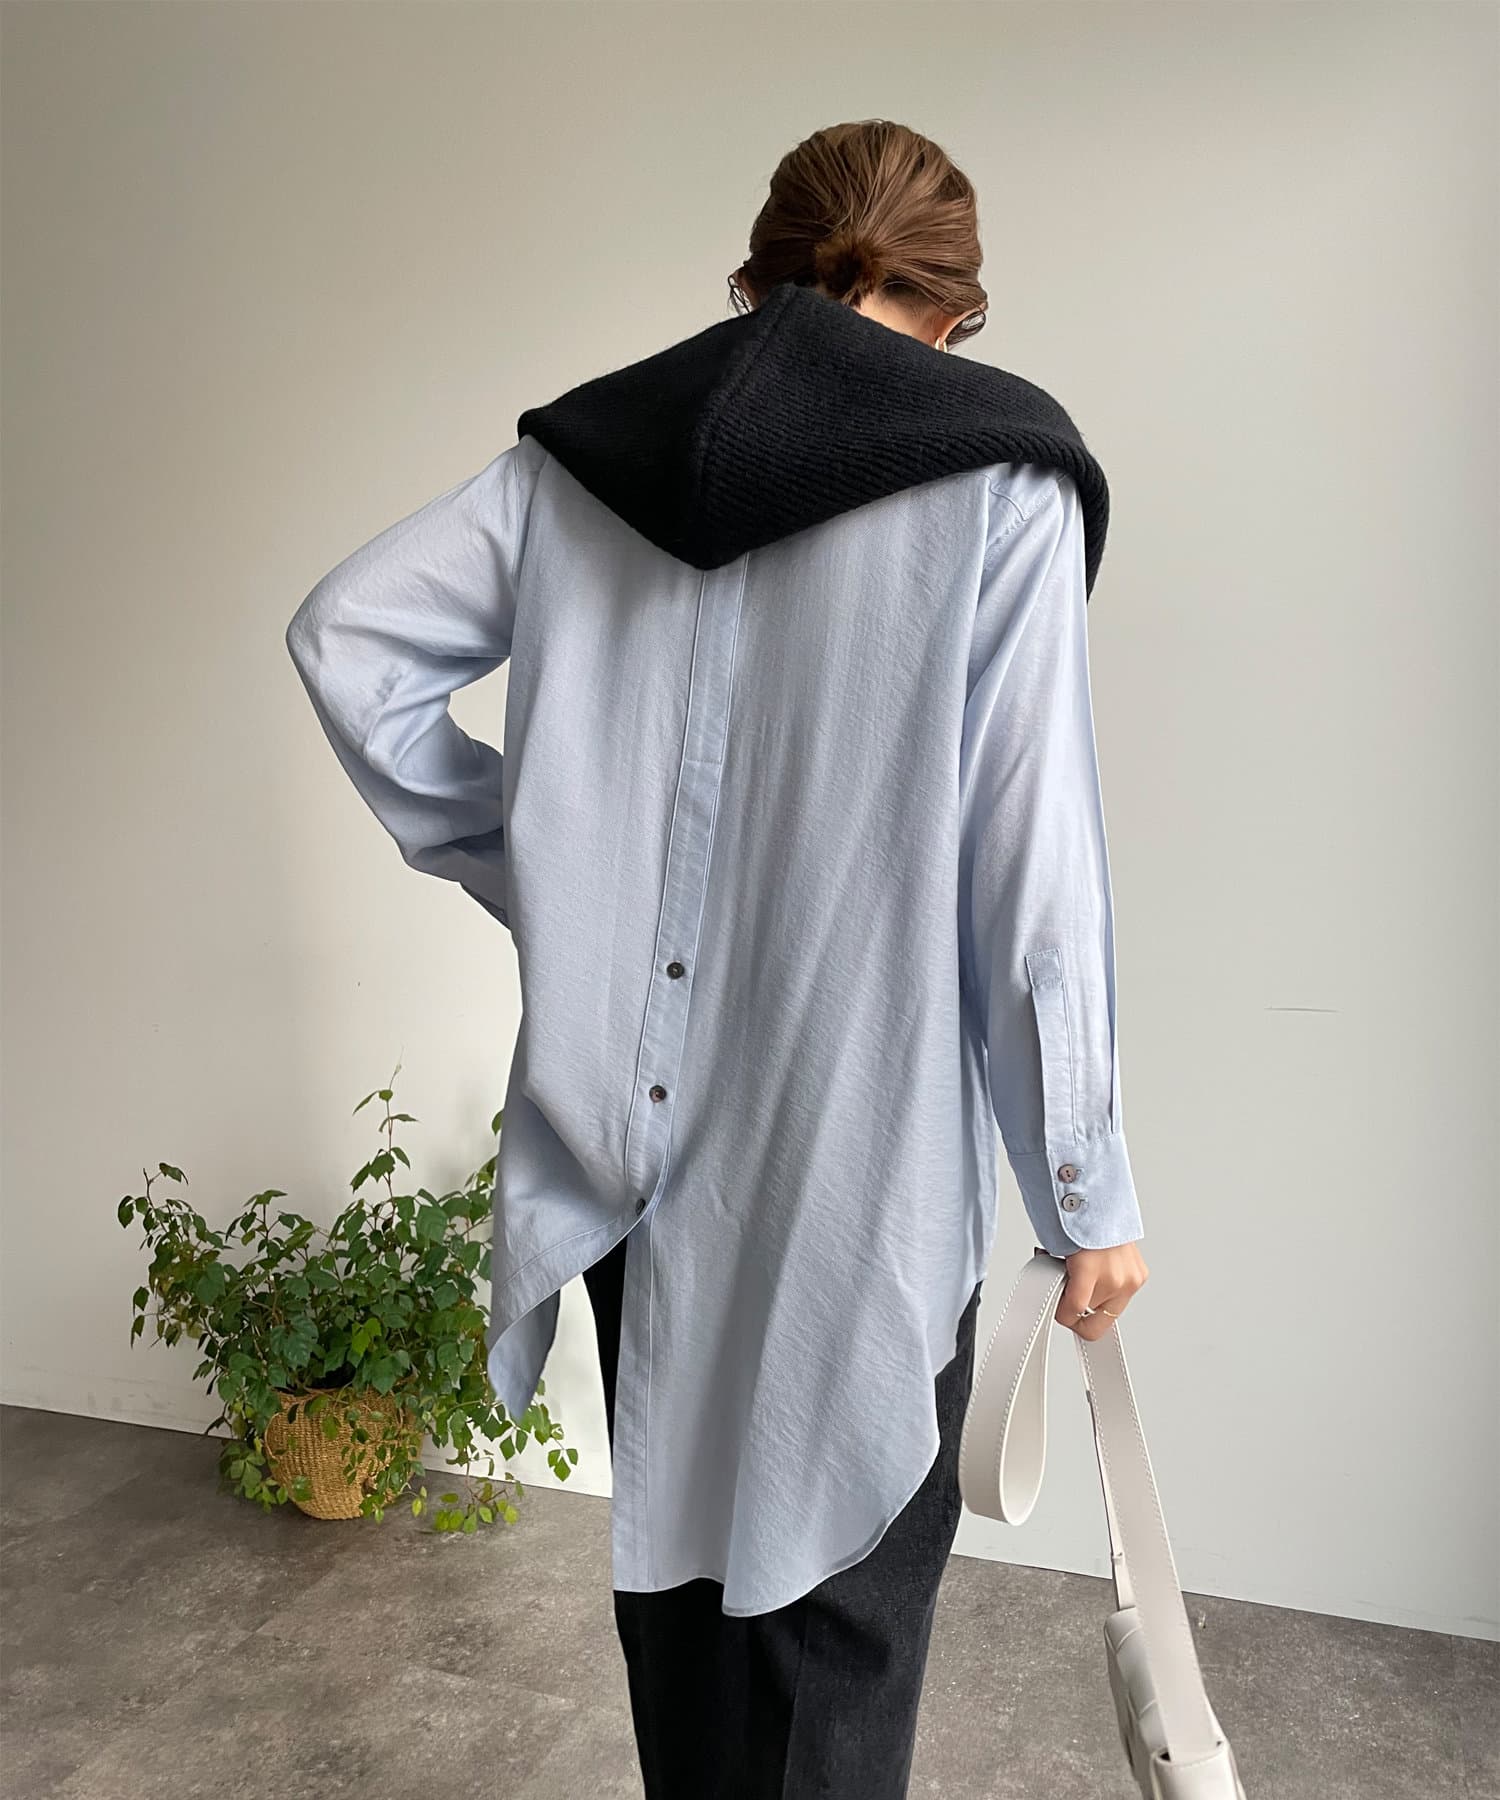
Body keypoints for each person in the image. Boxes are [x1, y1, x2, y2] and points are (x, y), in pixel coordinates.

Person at [286, 117, 1149, 1800]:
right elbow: (1028, 878)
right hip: (859, 1164)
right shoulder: (1001, 479)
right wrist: (1083, 1186)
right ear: (954, 313)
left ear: (752, 278)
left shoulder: (587, 458)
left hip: (633, 1154)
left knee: (680, 1602)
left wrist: (551, 878)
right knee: (839, 1638)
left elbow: (348, 639)